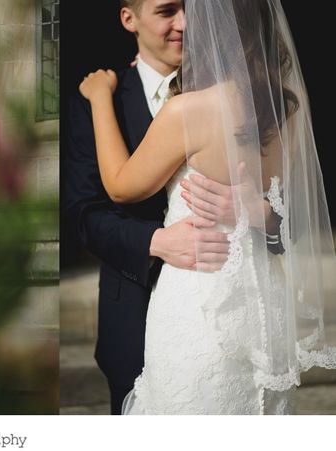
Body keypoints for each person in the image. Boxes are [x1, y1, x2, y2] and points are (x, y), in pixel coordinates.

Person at [78, 0, 336, 413]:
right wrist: (260, 212)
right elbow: (290, 207)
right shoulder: (285, 109)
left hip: (199, 306)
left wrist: (98, 99)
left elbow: (121, 187)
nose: (183, 24)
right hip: (263, 309)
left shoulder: (188, 110)